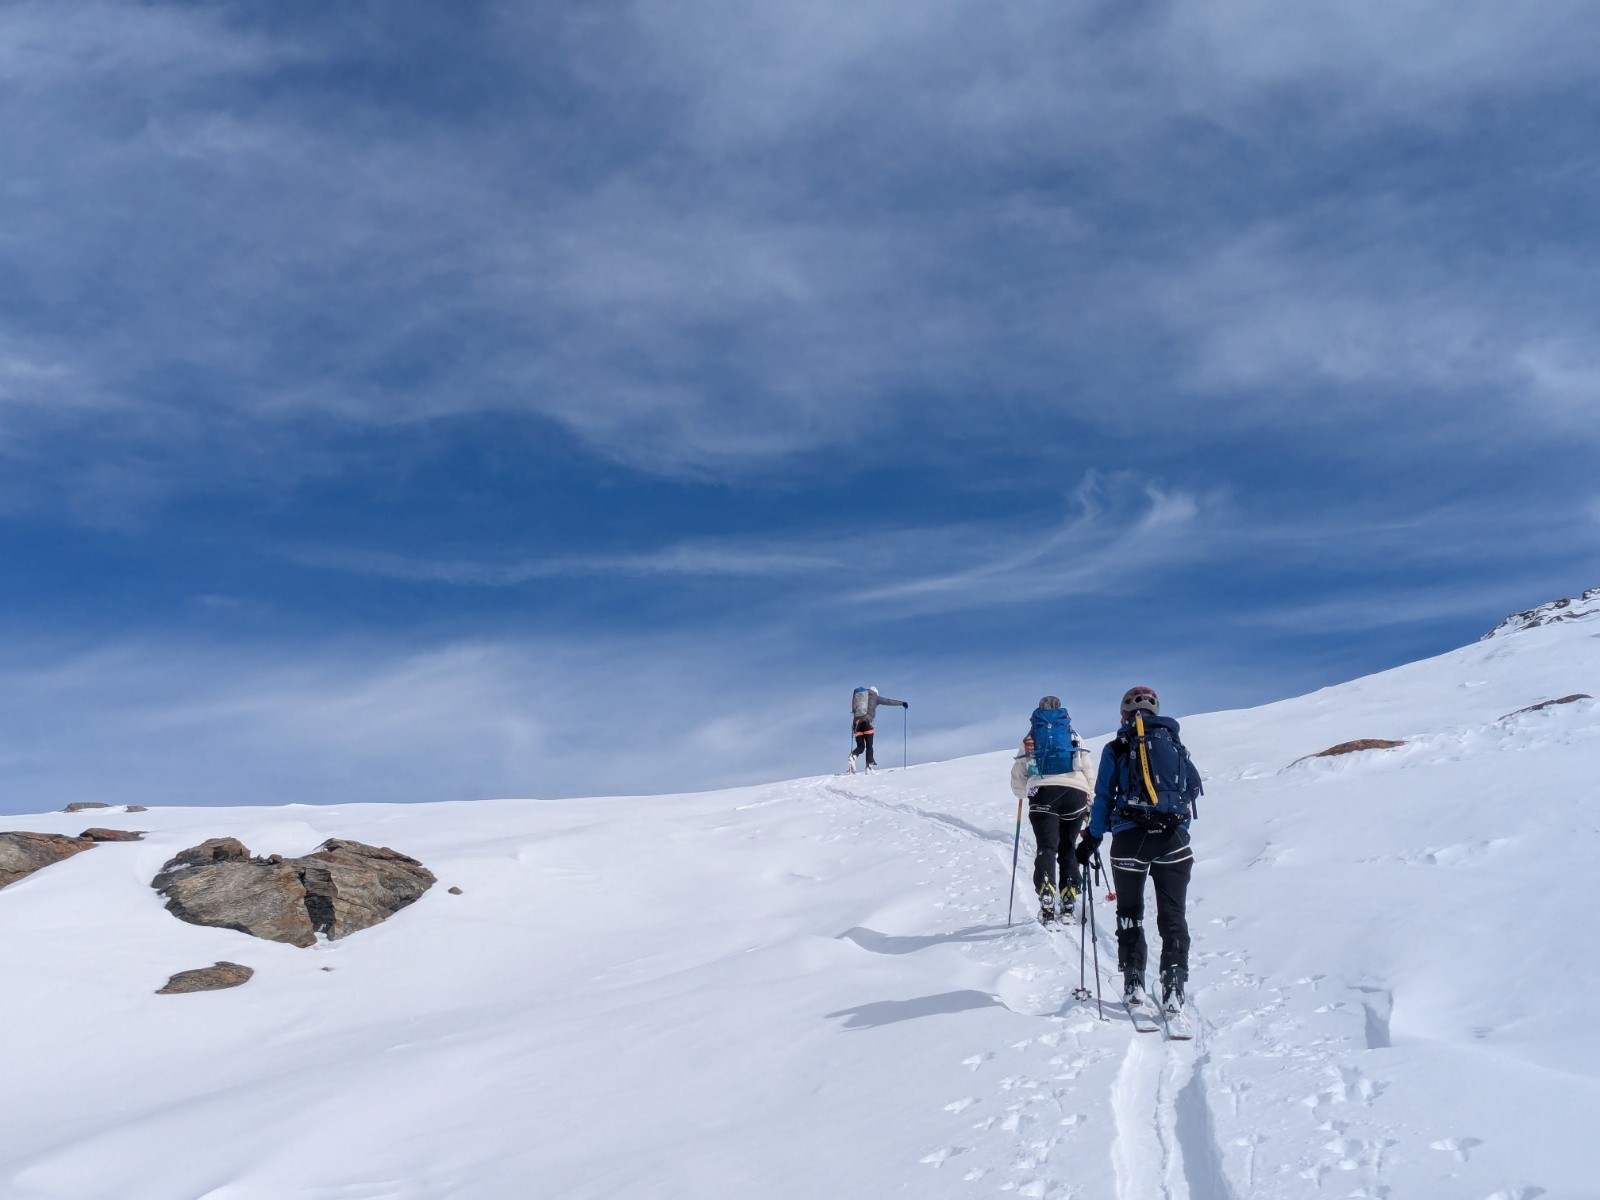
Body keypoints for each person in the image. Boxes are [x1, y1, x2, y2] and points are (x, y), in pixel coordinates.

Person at [1076, 685, 1202, 1016]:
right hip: (1174, 839)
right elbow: (1189, 792)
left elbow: (1103, 796)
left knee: (1130, 911)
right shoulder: (1174, 743)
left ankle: (1134, 983)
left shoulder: (1116, 747)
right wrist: (1179, 832)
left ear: (1123, 716)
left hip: (1130, 840)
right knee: (1173, 915)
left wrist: (1092, 837)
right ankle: (1174, 986)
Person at [1008, 696, 1092, 922]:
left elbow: (1020, 771)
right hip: (1074, 793)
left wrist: (1021, 793)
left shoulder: (1030, 738)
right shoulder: (1074, 735)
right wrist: (1089, 798)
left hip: (1042, 793)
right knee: (1068, 846)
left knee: (1047, 846)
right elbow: (1087, 768)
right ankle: (1069, 895)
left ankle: (1046, 888)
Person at [847, 686, 907, 773]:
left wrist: (853, 727)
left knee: (860, 746)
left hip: (857, 725)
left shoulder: (860, 698)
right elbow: (888, 701)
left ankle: (853, 756)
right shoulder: (875, 697)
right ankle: (868, 767)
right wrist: (902, 703)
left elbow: (855, 713)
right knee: (869, 746)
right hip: (867, 724)